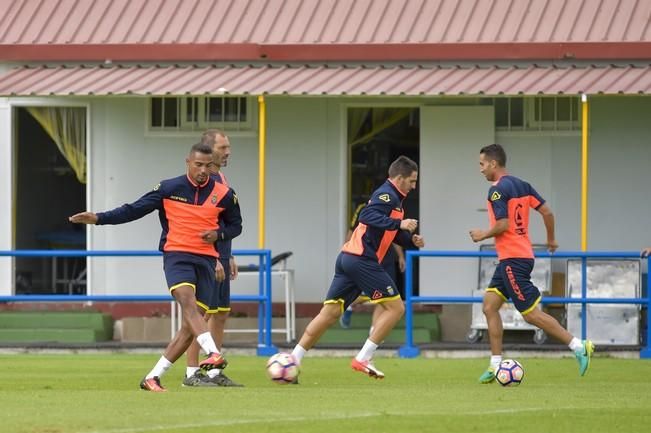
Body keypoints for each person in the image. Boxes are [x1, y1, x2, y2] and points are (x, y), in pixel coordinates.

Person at [69, 142, 242, 392]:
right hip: (177, 256)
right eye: (198, 165)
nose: (203, 170)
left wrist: (218, 234)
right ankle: (214, 353)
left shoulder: (225, 194)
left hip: (206, 261)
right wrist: (98, 218)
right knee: (188, 303)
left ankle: (152, 377)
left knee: (188, 329)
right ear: (188, 162)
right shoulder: (169, 188)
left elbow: (236, 226)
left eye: (208, 166)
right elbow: (134, 210)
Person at [469, 143, 594, 384]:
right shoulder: (522, 185)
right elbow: (547, 212)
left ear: (494, 164)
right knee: (489, 306)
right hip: (519, 256)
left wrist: (482, 234)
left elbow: (503, 224)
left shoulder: (496, 191)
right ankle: (496, 365)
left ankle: (579, 346)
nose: (480, 169)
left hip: (512, 260)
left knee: (531, 315)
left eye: (482, 164)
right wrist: (551, 239)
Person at [291, 156, 425, 380]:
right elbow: (367, 215)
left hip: (348, 258)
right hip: (363, 259)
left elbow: (386, 231)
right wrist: (400, 223)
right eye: (412, 181)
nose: (414, 186)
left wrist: (411, 240)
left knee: (329, 313)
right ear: (399, 178)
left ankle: (293, 359)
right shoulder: (387, 194)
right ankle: (364, 357)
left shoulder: (395, 199)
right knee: (396, 308)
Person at [182, 129, 243, 388]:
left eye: (228, 147)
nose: (228, 151)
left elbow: (222, 222)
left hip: (221, 254)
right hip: (208, 257)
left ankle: (214, 372)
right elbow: (201, 224)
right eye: (223, 147)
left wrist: (228, 254)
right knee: (202, 315)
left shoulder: (220, 178)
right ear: (208, 150)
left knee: (220, 314)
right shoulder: (203, 183)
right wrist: (214, 258)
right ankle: (191, 372)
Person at [339, 200, 406, 330]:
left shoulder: (395, 210)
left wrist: (401, 256)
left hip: (386, 259)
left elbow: (394, 235)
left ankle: (373, 329)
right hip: (367, 258)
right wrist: (347, 255)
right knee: (368, 293)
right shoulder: (364, 207)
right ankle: (349, 305)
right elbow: (352, 231)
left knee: (385, 295)